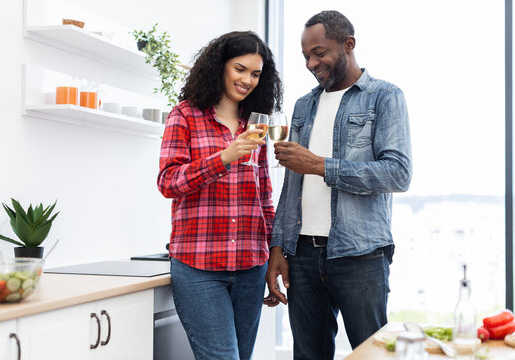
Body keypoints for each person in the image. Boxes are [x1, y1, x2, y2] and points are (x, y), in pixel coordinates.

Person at [264, 10, 412, 359]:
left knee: (372, 355)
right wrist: (277, 248)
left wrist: (319, 165)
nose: (311, 63)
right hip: (301, 256)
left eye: (319, 52)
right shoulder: (303, 106)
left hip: (361, 255)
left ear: (348, 44)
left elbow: (397, 173)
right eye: (305, 56)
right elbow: (291, 183)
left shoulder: (384, 97)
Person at [157, 31, 282, 360]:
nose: (247, 80)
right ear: (220, 66)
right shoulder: (184, 116)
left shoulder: (255, 126)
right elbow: (168, 181)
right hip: (199, 267)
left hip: (251, 267)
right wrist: (223, 158)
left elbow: (264, 199)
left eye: (256, 74)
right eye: (240, 69)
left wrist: (272, 258)